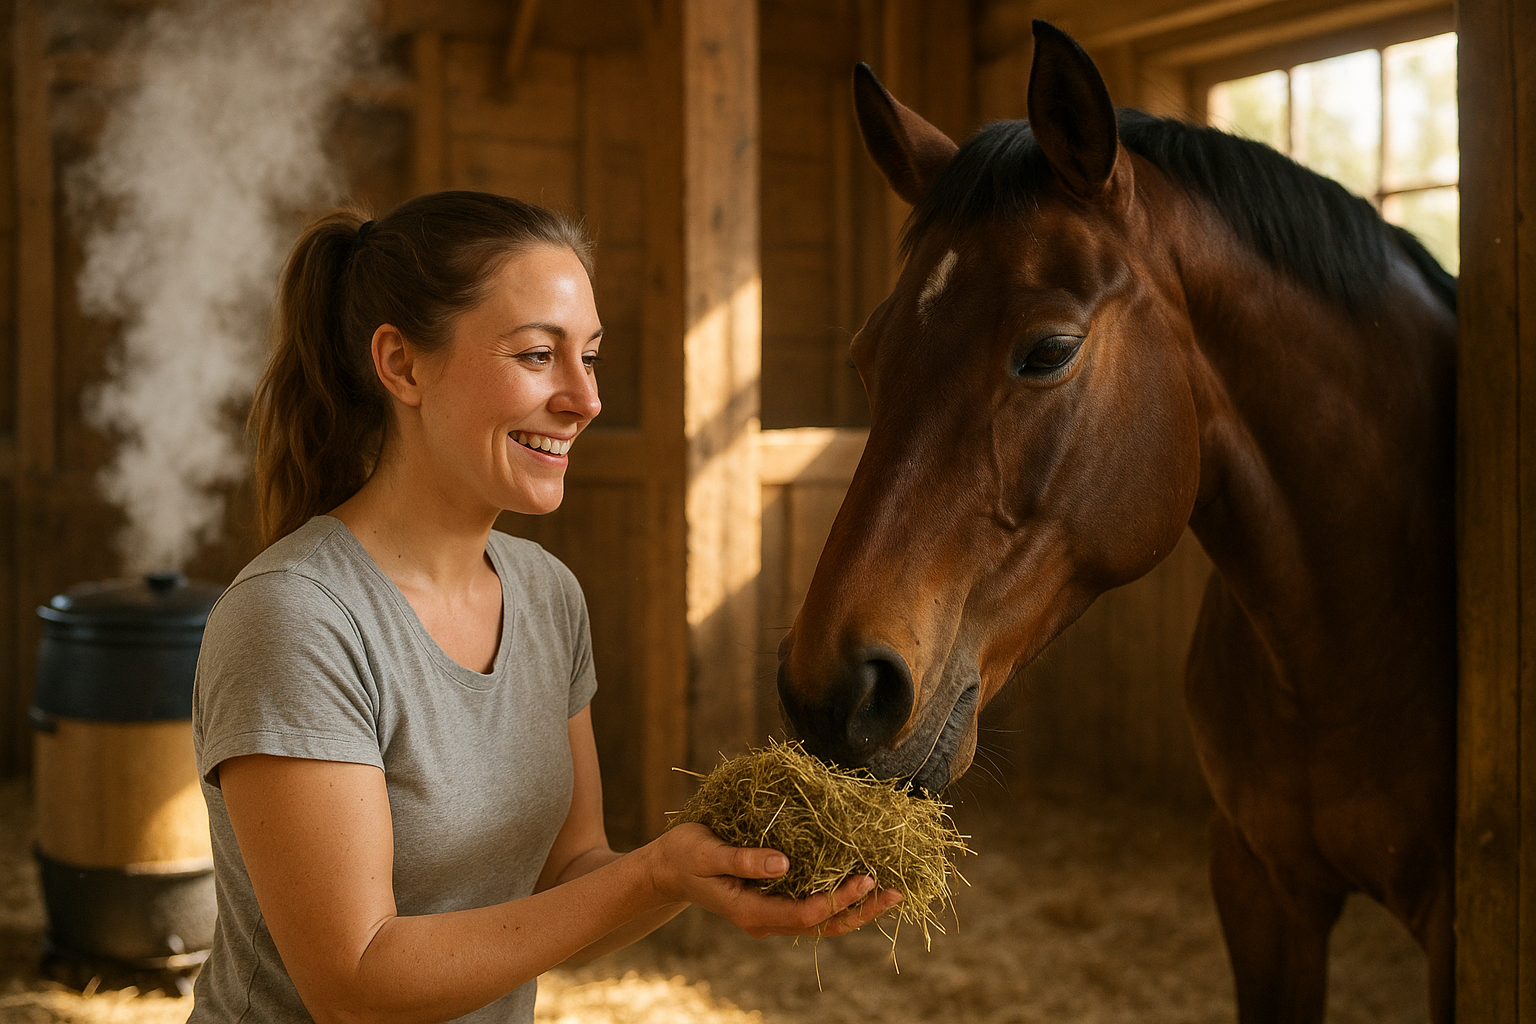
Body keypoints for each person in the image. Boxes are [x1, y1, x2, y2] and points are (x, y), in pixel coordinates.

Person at [189, 191, 899, 1024]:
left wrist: (712, 869)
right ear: (402, 365)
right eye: (537, 356)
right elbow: (356, 981)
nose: (585, 399)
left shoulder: (544, 594)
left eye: (589, 357)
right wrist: (653, 875)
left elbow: (568, 881)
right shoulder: (299, 618)